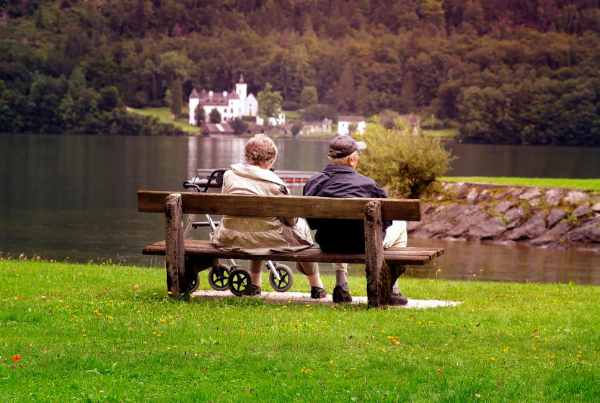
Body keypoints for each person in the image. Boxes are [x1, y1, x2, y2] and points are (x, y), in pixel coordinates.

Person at [210, 134, 326, 299]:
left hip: (230, 236)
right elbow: (290, 219)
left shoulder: (229, 175)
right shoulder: (275, 183)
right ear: (270, 161)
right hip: (265, 238)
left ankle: (254, 285)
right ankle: (316, 286)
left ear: (247, 156)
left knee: (256, 227)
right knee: (301, 229)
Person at [303, 134, 408, 305]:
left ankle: (341, 284)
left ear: (331, 157)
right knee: (401, 224)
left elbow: (312, 223)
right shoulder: (368, 184)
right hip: (364, 244)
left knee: (338, 229)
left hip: (329, 243)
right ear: (352, 160)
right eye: (358, 154)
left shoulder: (313, 182)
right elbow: (388, 220)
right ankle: (392, 290)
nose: (358, 157)